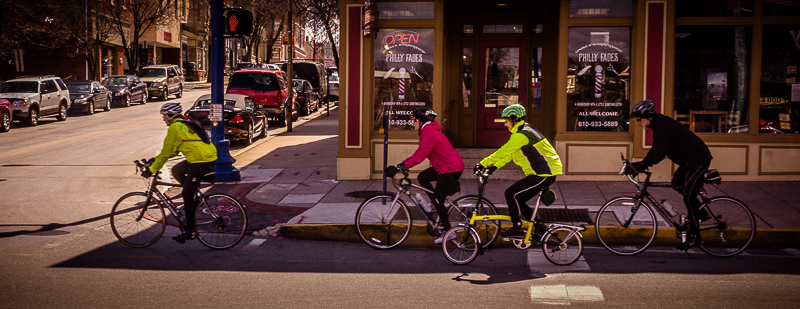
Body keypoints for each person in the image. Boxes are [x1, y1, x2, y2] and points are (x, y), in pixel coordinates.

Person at [627, 99, 713, 250]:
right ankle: (701, 213)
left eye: (640, 119)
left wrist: (641, 165)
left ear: (649, 116)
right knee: (677, 183)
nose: (639, 123)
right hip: (688, 162)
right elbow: (656, 150)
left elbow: (659, 152)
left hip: (698, 160)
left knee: (688, 195)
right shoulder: (660, 125)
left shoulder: (663, 126)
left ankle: (695, 237)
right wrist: (641, 164)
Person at [477, 104, 563, 239]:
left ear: (514, 119)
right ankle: (541, 229)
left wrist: (482, 164)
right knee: (519, 199)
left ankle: (517, 227)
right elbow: (511, 154)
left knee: (511, 194)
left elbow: (504, 151)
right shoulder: (523, 130)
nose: (505, 124)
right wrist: (493, 167)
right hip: (543, 173)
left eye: (506, 121)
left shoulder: (522, 134)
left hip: (544, 173)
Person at [141, 102, 218, 244]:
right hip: (204, 156)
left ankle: (190, 230)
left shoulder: (175, 128)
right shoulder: (185, 123)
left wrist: (151, 170)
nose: (164, 119)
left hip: (200, 159)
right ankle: (194, 193)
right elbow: (173, 151)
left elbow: (165, 153)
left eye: (164, 116)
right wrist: (154, 160)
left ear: (170, 116)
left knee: (186, 195)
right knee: (176, 171)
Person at [394, 107, 465, 244]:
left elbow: (421, 154)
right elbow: (420, 152)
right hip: (445, 167)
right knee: (423, 177)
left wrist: (404, 165)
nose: (412, 123)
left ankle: (448, 232)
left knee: (439, 200)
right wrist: (403, 164)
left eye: (414, 120)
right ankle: (435, 204)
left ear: (421, 121)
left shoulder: (429, 134)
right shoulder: (427, 132)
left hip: (451, 169)